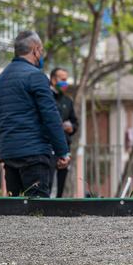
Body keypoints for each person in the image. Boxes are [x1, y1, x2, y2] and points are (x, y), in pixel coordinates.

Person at [0, 31, 70, 198]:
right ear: (35, 50)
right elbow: (51, 116)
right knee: (37, 210)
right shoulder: (36, 77)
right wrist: (62, 151)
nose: (41, 55)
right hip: (34, 155)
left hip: (9, 155)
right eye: (41, 51)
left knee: (16, 210)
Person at [49, 68, 79, 198]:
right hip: (48, 147)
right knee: (48, 183)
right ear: (53, 79)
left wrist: (71, 127)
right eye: (63, 79)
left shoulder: (68, 101)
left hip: (65, 146)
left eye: (66, 80)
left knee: (61, 184)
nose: (65, 83)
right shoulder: (45, 97)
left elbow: (75, 123)